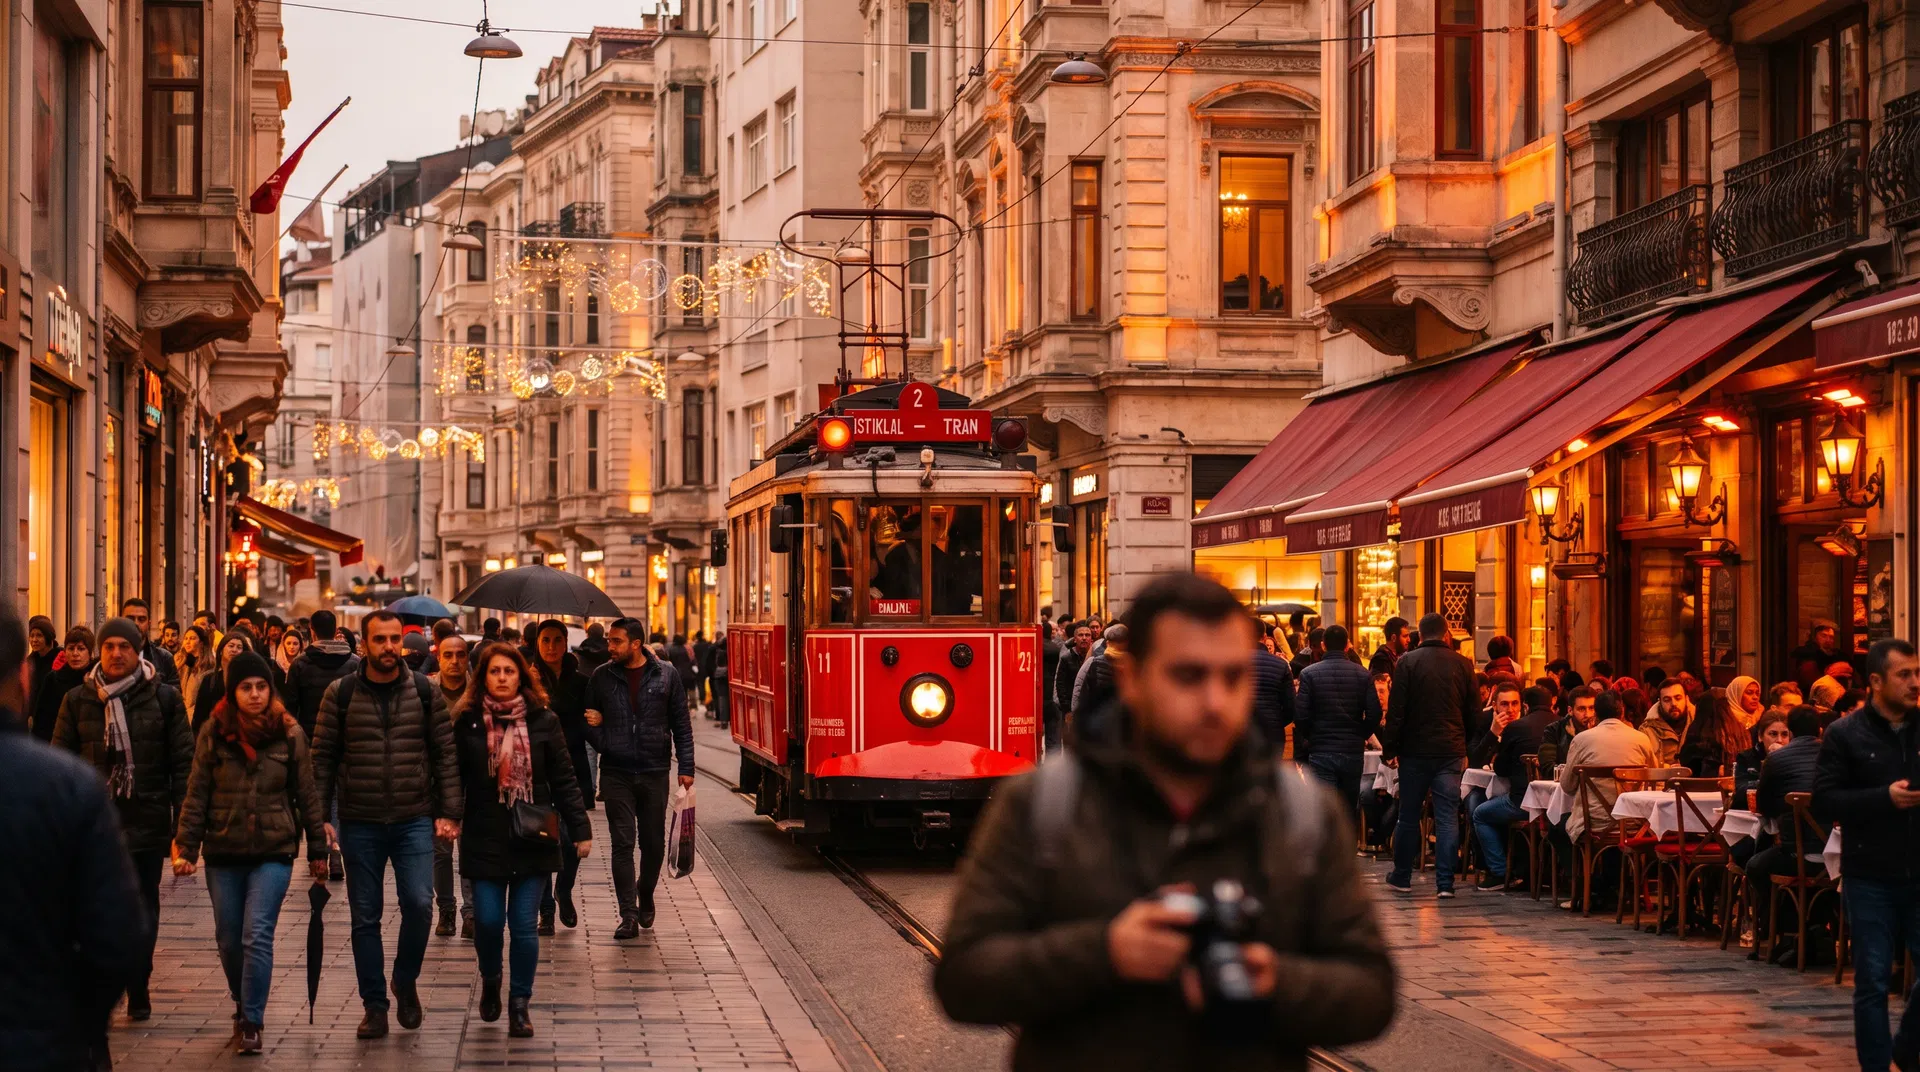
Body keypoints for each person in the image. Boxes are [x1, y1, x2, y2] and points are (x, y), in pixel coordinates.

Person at [933, 573, 1395, 1068]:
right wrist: (1104, 952)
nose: (1216, 702)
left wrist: (1276, 981)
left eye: (1233, 676)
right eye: (1188, 676)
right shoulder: (1044, 803)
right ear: (1132, 679)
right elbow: (962, 978)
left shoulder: (1299, 812)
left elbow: (1372, 990)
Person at [0, 601, 148, 1070]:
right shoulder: (64, 786)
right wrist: (76, 1023)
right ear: (25, 677)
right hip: (37, 1042)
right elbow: (116, 934)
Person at [310, 611, 462, 1040]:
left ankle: (404, 977)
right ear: (364, 645)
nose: (390, 647)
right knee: (365, 917)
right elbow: (321, 760)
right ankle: (374, 1005)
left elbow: (444, 752)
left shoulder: (423, 692)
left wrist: (450, 810)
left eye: (395, 639)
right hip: (360, 820)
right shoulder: (339, 694)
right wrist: (319, 819)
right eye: (381, 640)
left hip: (413, 817)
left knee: (418, 903)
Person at [170, 652, 328, 1053]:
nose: (255, 694)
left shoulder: (289, 733)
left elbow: (307, 794)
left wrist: (318, 849)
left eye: (261, 687)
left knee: (256, 934)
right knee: (228, 939)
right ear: (233, 691)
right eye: (246, 687)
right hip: (223, 849)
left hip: (273, 850)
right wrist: (186, 846)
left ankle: (252, 1020)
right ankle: (242, 1002)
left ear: (270, 689)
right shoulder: (213, 732)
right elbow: (197, 792)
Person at [51, 616, 194, 1023]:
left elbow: (183, 763)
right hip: (93, 825)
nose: (116, 653)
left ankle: (139, 980)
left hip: (146, 819)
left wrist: (182, 823)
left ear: (138, 650)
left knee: (143, 906)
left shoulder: (164, 698)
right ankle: (104, 981)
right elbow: (60, 759)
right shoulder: (78, 699)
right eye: (109, 646)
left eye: (124, 647)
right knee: (92, 905)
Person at [452, 643, 592, 1039]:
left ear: (521, 676)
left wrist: (580, 829)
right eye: (494, 671)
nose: (501, 678)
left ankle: (519, 1005)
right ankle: (492, 977)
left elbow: (564, 779)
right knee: (490, 922)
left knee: (525, 927)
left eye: (508, 671)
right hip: (484, 834)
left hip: (533, 834)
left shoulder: (543, 720)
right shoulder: (467, 722)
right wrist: (445, 817)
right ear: (483, 677)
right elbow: (452, 775)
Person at [1813, 638, 1920, 1072]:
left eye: (1917, 673)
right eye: (1904, 675)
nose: (1915, 683)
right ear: (1875, 682)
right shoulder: (1845, 734)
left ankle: (1907, 1048)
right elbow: (1824, 801)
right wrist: (1883, 798)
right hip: (1870, 873)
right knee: (1873, 981)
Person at [583, 618, 694, 939]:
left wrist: (686, 767)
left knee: (653, 844)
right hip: (616, 772)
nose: (610, 647)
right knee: (622, 843)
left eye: (616, 641)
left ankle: (645, 892)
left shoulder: (666, 675)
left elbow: (682, 725)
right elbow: (586, 719)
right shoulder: (602, 676)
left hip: (654, 771)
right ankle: (628, 914)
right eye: (609, 641)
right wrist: (606, 742)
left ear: (635, 643)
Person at [1380, 613, 1482, 897]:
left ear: (1419, 635)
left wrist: (1391, 748)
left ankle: (1402, 876)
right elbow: (1473, 711)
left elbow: (1397, 710)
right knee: (1447, 815)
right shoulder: (1463, 664)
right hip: (1450, 750)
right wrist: (1467, 746)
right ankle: (1445, 883)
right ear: (1446, 633)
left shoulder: (1407, 662)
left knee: (1409, 815)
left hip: (1414, 750)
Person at [529, 619, 593, 934]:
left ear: (566, 642)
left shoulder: (581, 681)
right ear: (537, 644)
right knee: (540, 842)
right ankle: (545, 911)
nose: (552, 647)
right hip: (536, 770)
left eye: (557, 640)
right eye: (546, 640)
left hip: (572, 768)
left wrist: (598, 720)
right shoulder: (527, 679)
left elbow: (589, 720)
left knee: (570, 839)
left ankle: (563, 888)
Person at [1742, 706, 1819, 957]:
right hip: (1837, 853)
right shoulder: (1838, 756)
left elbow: (1762, 806)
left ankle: (1783, 928)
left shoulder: (1777, 759)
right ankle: (1818, 927)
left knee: (1755, 866)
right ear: (1820, 729)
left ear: (1792, 733)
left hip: (1795, 853)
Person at [1293, 624, 1382, 819]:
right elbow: (1375, 713)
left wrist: (1312, 735)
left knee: (1324, 810)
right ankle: (1347, 847)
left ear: (1323, 645)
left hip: (1321, 750)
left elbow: (1300, 714)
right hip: (1351, 751)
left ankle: (1327, 849)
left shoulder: (1309, 674)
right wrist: (1361, 734)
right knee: (1348, 810)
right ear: (1347, 645)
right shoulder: (1362, 674)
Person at [1472, 683, 1553, 889]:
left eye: (1515, 703)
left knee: (1483, 812)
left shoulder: (1524, 726)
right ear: (1495, 706)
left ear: (1523, 706)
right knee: (1475, 801)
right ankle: (1491, 865)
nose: (1510, 709)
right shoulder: (1483, 721)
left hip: (1524, 799)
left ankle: (1501, 871)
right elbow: (1473, 759)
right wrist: (1492, 733)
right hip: (1532, 798)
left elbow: (1501, 768)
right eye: (1505, 704)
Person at [1555, 691, 1660, 843]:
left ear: (1595, 713)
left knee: (1557, 825)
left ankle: (1583, 866)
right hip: (1635, 822)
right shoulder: (1641, 739)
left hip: (1593, 823)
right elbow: (1654, 780)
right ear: (1622, 711)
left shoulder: (1581, 740)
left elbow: (1567, 786)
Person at [430, 633, 476, 939]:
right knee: (441, 852)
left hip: (472, 781)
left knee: (471, 850)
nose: (455, 661)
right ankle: (446, 910)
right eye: (449, 655)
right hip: (436, 782)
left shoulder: (479, 693)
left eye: (461, 655)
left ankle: (471, 913)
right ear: (439, 658)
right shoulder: (426, 692)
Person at [282, 608, 361, 740]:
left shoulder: (299, 664)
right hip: (346, 736)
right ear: (335, 631)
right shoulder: (355, 663)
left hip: (310, 736)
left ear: (312, 631)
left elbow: (291, 706)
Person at [31, 625, 94, 742]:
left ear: (90, 653)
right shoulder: (53, 679)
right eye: (71, 648)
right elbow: (41, 722)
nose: (75, 654)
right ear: (65, 652)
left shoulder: (98, 679)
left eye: (81, 649)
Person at [193, 633, 257, 729]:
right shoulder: (209, 679)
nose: (234, 650)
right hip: (215, 734)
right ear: (221, 650)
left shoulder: (250, 679)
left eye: (239, 647)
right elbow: (199, 715)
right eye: (231, 646)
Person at [1677, 695, 1751, 777]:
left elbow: (1689, 764)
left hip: (1702, 786)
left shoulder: (1699, 731)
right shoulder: (1741, 731)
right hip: (1738, 783)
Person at [1071, 624, 1127, 730]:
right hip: (1123, 723)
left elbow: (1082, 691)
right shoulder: (1133, 663)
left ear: (1107, 643)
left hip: (1099, 721)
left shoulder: (1096, 662)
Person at [1249, 623, 1295, 751]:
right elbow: (1290, 706)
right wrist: (1278, 722)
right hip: (1273, 732)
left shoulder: (1234, 663)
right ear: (1264, 637)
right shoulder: (1281, 665)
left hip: (1242, 733)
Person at [1535, 685, 1598, 775]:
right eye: (1581, 709)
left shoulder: (1602, 730)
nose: (1587, 714)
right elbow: (1547, 767)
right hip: (1565, 786)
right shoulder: (1554, 730)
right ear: (1570, 710)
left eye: (1591, 708)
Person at [120, 598, 180, 688]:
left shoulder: (164, 658)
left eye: (141, 619)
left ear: (149, 624)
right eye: (130, 618)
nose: (136, 623)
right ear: (121, 621)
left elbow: (174, 698)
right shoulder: (110, 656)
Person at [1640, 679, 1694, 767]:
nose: (1673, 704)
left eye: (1678, 698)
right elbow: (1644, 767)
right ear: (1659, 702)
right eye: (1667, 700)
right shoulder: (1647, 730)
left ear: (1687, 699)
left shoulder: (1699, 723)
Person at [1054, 621, 1093, 726]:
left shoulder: (1096, 658)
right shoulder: (1066, 658)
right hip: (1071, 708)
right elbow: (1060, 685)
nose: (1084, 638)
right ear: (1075, 639)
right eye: (1081, 635)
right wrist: (1067, 710)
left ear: (1091, 639)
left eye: (1087, 635)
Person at [1790, 621, 1842, 696]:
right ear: (1815, 637)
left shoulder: (1837, 656)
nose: (1828, 640)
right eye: (1824, 636)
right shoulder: (1804, 653)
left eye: (1831, 637)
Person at [178, 624, 216, 723]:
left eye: (192, 638)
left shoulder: (209, 667)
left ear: (201, 643)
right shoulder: (183, 663)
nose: (187, 641)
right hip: (182, 717)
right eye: (186, 638)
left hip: (198, 719)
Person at [26, 616, 57, 729]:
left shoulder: (61, 659)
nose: (34, 640)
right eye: (32, 636)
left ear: (48, 637)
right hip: (33, 723)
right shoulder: (29, 662)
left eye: (39, 635)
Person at [1040, 619, 1063, 755]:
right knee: (1053, 733)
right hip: (1051, 695)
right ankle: (1052, 760)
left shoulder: (1037, 646)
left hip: (1038, 694)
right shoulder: (1055, 649)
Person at [271, 628, 306, 699]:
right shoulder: (276, 664)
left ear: (300, 646)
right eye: (288, 643)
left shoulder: (305, 664)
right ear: (283, 644)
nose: (292, 647)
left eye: (295, 644)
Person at [707, 631, 730, 729]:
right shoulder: (729, 651)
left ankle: (722, 719)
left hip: (718, 675)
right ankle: (728, 719)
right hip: (728, 675)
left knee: (721, 698)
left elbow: (709, 662)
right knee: (728, 698)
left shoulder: (716, 650)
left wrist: (711, 674)